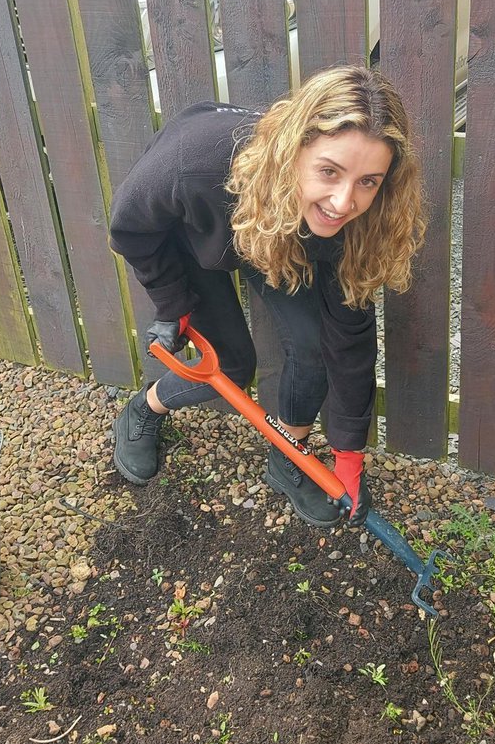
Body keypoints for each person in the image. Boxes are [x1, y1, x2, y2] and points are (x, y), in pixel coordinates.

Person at [108, 65, 426, 527]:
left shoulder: (347, 222)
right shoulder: (191, 164)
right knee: (232, 366)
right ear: (293, 149)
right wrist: (171, 301)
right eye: (329, 171)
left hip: (284, 228)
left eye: (368, 181)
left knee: (314, 347)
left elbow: (350, 338)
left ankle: (287, 454)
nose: (342, 201)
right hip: (200, 226)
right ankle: (143, 409)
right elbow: (130, 228)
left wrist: (348, 454)